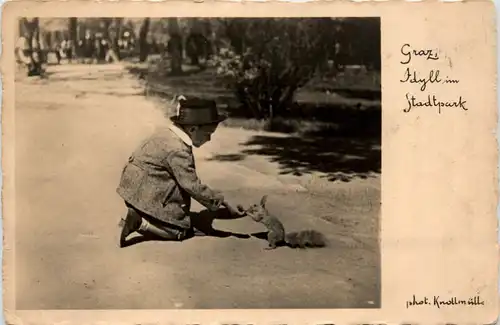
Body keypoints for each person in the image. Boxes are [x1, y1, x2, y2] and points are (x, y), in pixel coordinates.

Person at [117, 96, 245, 247]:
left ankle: (142, 214)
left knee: (181, 210)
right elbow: (191, 185)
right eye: (207, 134)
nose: (209, 139)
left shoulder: (166, 133)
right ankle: (140, 222)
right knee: (180, 232)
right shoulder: (178, 151)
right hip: (146, 195)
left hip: (132, 189)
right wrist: (221, 201)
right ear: (192, 129)